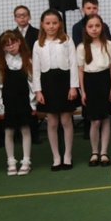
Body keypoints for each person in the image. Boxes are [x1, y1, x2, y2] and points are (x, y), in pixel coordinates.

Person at [32, 9, 78, 171]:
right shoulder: (38, 44)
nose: (51, 26)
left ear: (60, 24)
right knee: (52, 121)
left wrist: (73, 87)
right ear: (42, 25)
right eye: (48, 23)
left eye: (54, 23)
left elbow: (73, 64)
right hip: (47, 84)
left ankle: (67, 155)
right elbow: (36, 69)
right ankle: (56, 157)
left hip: (64, 83)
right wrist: (38, 91)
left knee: (66, 120)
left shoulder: (67, 40)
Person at [0, 31, 36, 176]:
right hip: (8, 102)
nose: (11, 46)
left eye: (13, 42)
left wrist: (33, 104)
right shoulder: (0, 63)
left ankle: (26, 161)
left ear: (19, 42)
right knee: (9, 131)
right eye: (7, 44)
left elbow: (32, 83)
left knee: (25, 130)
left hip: (24, 101)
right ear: (3, 47)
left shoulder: (27, 60)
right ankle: (11, 162)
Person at [76, 14, 111, 167]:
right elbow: (80, 71)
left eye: (97, 26)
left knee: (105, 119)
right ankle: (94, 151)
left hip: (104, 82)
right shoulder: (81, 47)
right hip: (90, 82)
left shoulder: (108, 45)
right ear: (86, 29)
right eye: (90, 26)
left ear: (102, 27)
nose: (94, 29)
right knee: (94, 121)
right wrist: (83, 91)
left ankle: (104, 152)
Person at [13, 6, 42, 145]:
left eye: (24, 15)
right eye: (19, 15)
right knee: (19, 103)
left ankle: (35, 134)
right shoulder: (11, 35)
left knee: (32, 105)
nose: (22, 18)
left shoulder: (37, 33)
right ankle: (19, 134)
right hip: (16, 74)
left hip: (32, 72)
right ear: (15, 19)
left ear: (29, 17)